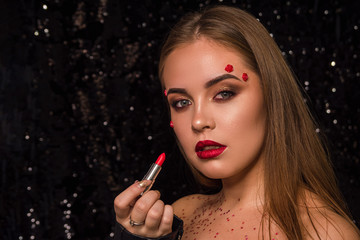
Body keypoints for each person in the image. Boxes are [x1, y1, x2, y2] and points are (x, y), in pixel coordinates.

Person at [113, 5, 360, 240]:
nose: (198, 121)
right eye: (181, 103)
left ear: (272, 95)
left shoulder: (324, 232)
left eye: (224, 93)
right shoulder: (182, 215)